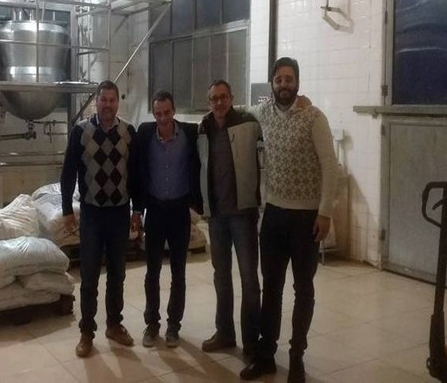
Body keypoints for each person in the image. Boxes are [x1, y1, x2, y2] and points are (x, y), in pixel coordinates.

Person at [241, 57, 340, 382]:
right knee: (271, 288)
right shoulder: (264, 112)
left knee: (303, 289)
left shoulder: (314, 117)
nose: (284, 84)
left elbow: (330, 167)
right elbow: (239, 109)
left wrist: (325, 212)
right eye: (279, 79)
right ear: (272, 83)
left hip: (307, 219)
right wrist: (212, 111)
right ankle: (266, 355)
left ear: (297, 82)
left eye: (289, 79)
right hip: (273, 216)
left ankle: (297, 356)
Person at [60, 80, 142, 358]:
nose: (108, 105)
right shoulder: (81, 131)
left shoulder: (128, 132)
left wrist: (137, 210)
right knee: (90, 276)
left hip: (119, 212)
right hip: (92, 214)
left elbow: (136, 174)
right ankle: (87, 332)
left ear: (118, 102)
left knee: (118, 274)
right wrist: (66, 210)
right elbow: (68, 172)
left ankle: (114, 325)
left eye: (112, 100)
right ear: (96, 101)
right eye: (103, 100)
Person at [197, 79, 262, 364]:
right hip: (217, 217)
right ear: (209, 102)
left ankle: (252, 342)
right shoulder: (204, 127)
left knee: (249, 280)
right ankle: (225, 333)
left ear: (232, 98)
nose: (219, 102)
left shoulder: (249, 122)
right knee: (221, 277)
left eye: (224, 97)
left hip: (243, 214)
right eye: (214, 98)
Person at [136, 90, 202, 349]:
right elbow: (137, 170)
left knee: (178, 272)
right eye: (158, 113)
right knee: (152, 272)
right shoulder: (145, 134)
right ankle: (152, 324)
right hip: (154, 211)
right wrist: (137, 210)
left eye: (167, 112)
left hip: (179, 211)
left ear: (174, 111)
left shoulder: (189, 133)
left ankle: (174, 325)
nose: (163, 118)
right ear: (153, 114)